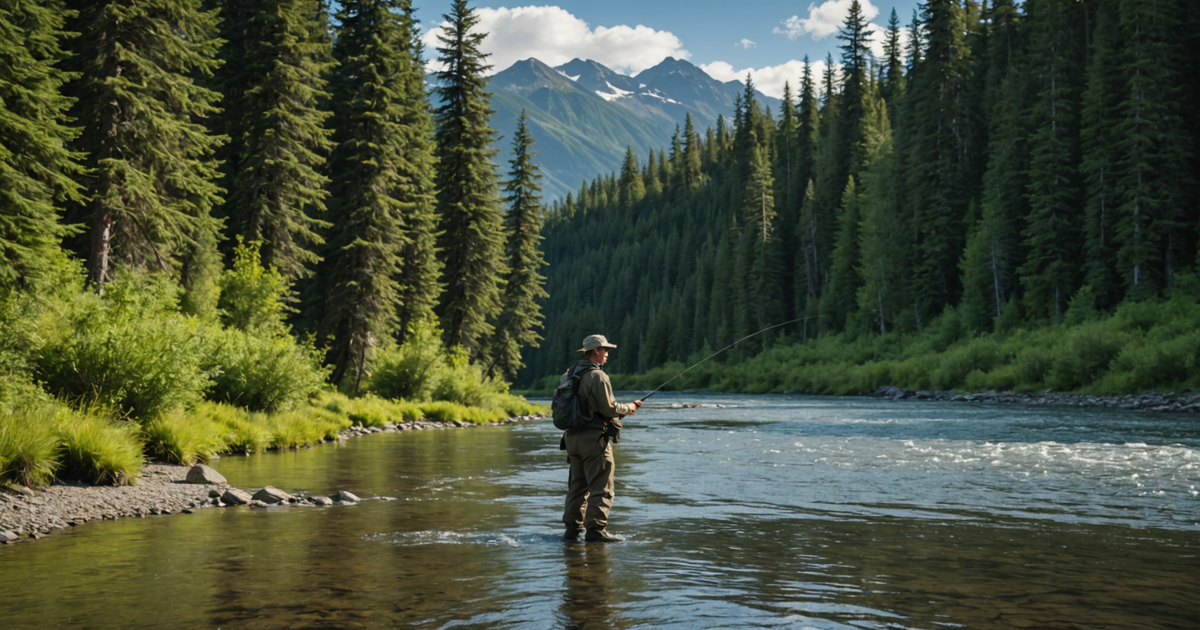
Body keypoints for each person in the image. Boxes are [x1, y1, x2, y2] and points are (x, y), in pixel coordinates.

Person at [560, 334, 641, 543]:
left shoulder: (567, 376)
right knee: (601, 487)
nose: (607, 354)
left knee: (577, 487)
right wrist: (630, 408)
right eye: (605, 350)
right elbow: (610, 409)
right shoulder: (598, 376)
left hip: (571, 439)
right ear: (596, 351)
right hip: (593, 440)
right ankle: (596, 532)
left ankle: (572, 531)